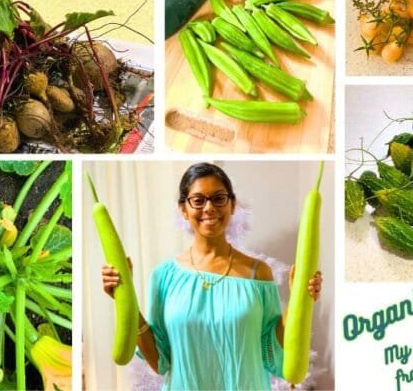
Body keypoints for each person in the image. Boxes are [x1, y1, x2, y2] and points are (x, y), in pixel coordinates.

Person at [101, 162, 324, 390]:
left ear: (232, 205)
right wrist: (124, 296)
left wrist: (298, 297)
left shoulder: (258, 272)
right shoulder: (163, 277)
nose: (209, 208)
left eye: (219, 198)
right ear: (183, 209)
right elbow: (161, 361)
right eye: (198, 200)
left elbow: (271, 352)